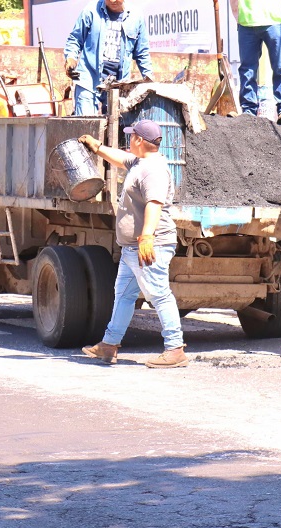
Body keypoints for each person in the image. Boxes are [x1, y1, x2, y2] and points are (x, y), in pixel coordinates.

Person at [78, 120, 187, 369]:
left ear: (138, 140)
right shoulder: (139, 162)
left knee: (159, 294)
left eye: (131, 136)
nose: (129, 141)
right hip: (131, 249)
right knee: (124, 296)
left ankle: (175, 348)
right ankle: (109, 345)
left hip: (150, 246)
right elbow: (120, 159)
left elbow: (154, 204)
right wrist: (97, 147)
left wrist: (147, 236)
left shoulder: (153, 170)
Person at [64, 0, 153, 116]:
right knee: (86, 126)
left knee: (118, 129)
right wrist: (71, 59)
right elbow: (75, 39)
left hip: (119, 85)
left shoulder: (136, 17)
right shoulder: (90, 11)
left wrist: (150, 80)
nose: (112, 1)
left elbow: (142, 53)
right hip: (89, 80)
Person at [229, 0, 281, 125]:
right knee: (248, 69)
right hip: (247, 21)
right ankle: (248, 110)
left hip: (274, 19)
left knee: (280, 66)